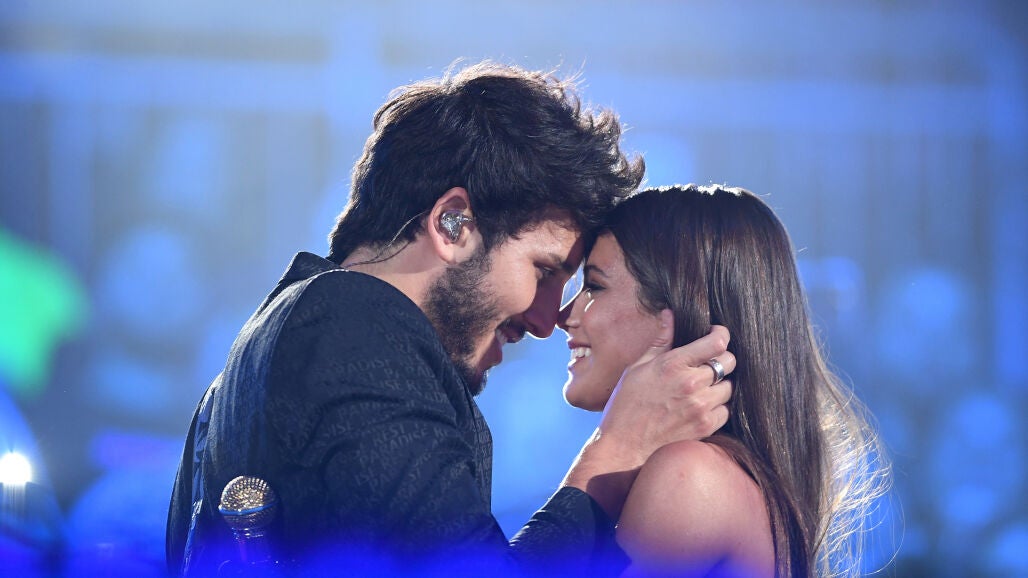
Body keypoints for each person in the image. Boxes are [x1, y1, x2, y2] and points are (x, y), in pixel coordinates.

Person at [166, 63, 735, 577]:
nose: (547, 321)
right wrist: (617, 449)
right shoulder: (350, 330)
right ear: (453, 223)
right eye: (543, 271)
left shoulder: (296, 328)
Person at [558, 184, 890, 577]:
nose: (564, 315)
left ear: (679, 308)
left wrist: (611, 448)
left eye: (594, 286)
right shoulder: (721, 474)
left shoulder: (691, 477)